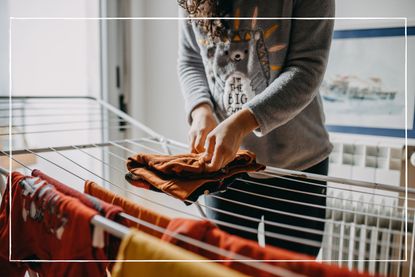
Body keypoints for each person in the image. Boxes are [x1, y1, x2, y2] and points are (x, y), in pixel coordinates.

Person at [177, 0, 334, 257]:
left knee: (289, 272)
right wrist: (200, 110)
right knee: (228, 267)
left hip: (298, 167)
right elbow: (190, 59)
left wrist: (241, 123)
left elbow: (307, 67)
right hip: (225, 168)